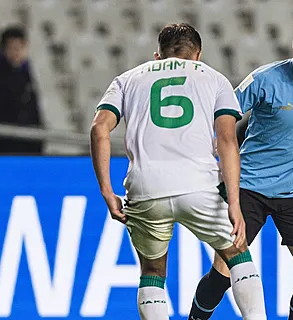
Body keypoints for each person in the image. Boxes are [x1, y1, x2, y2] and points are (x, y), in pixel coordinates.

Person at [89, 23, 266, 320]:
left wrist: (107, 191)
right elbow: (226, 140)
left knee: (153, 272)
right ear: (197, 54)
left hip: (146, 188)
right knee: (238, 256)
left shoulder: (127, 79)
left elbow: (98, 129)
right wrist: (234, 203)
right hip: (197, 185)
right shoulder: (214, 78)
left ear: (158, 54)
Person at [189, 11, 293, 320]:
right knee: (222, 276)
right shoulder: (266, 79)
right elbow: (226, 112)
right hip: (248, 187)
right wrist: (214, 143)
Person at [0, 26, 43, 154]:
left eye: (20, 47)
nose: (17, 52)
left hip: (30, 140)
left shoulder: (26, 72)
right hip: (9, 142)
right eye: (13, 48)